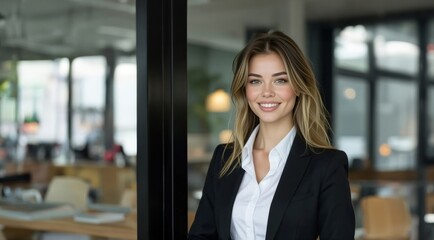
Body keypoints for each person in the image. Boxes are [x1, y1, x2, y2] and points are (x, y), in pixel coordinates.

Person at [188, 30, 355, 240]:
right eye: (255, 81)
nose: (266, 92)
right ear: (245, 89)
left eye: (280, 80)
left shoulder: (326, 165)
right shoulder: (225, 158)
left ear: (298, 86)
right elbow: (201, 236)